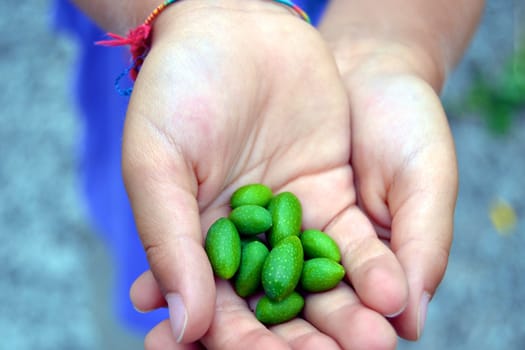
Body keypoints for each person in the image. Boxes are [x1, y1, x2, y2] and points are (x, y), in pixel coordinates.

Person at [56, 0, 485, 348]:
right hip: (184, 94)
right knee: (144, 255)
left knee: (175, 288)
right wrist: (187, 13)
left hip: (323, 76)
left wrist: (386, 47)